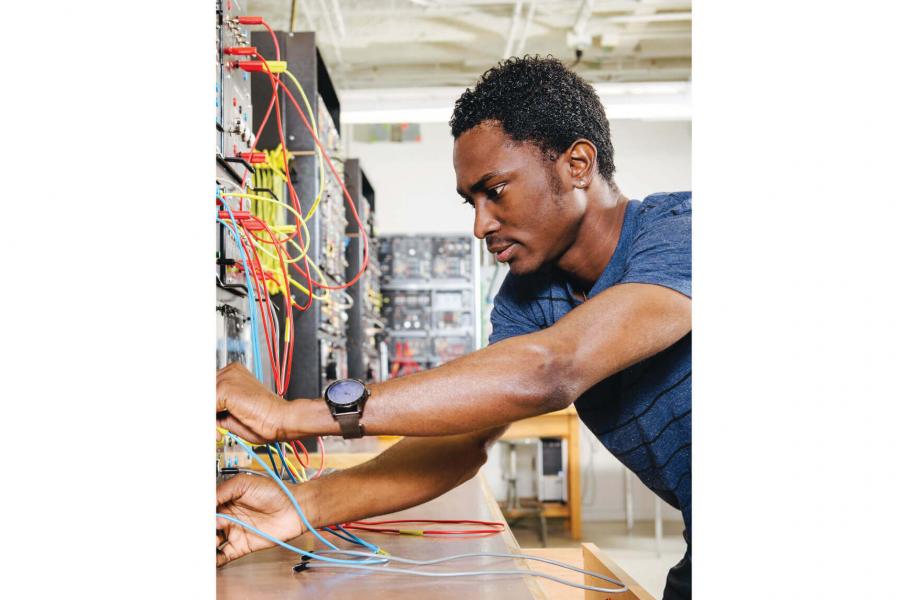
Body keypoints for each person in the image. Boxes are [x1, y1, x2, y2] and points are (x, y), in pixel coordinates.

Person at [216, 55, 692, 599]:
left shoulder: (681, 232)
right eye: (471, 200)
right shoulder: (529, 299)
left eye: (497, 190)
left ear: (577, 164)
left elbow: (552, 368)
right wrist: (303, 505)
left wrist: (294, 416)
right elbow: (461, 442)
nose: (479, 225)